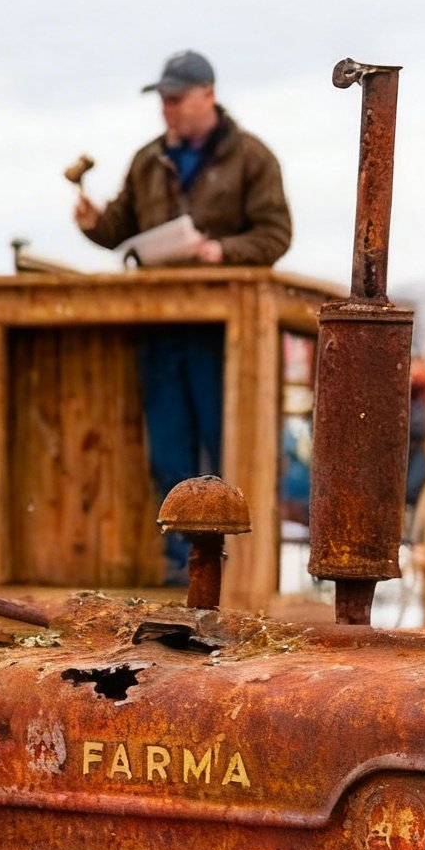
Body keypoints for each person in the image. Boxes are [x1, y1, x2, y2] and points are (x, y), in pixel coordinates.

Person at [74, 50, 293, 584]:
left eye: (176, 98)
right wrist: (93, 223)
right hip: (161, 325)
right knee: (169, 448)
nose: (167, 109)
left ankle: (237, 569)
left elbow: (275, 235)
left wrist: (222, 251)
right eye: (163, 100)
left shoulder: (252, 158)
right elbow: (121, 230)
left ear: (208, 96)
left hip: (227, 333)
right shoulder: (148, 160)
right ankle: (181, 566)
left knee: (227, 444)